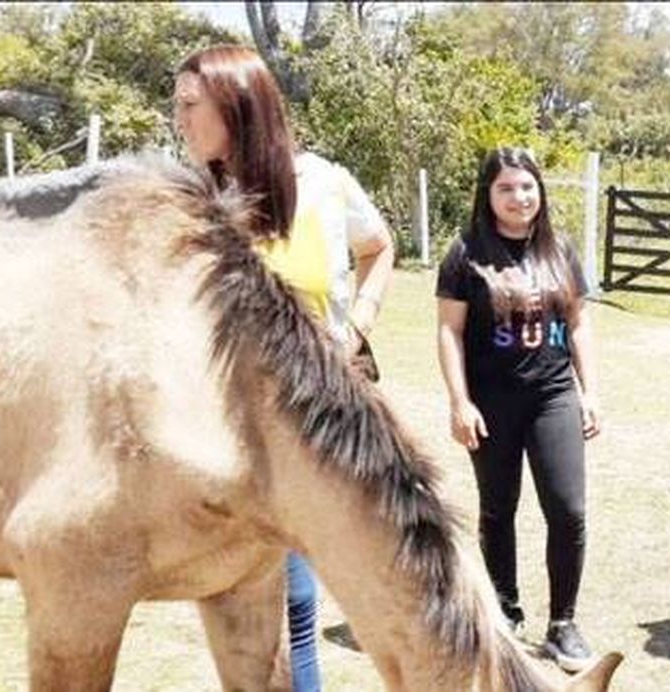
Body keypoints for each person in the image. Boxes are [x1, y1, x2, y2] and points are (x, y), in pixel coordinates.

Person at [173, 44, 395, 692]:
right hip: (221, 434)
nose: (180, 120)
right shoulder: (191, 200)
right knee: (249, 609)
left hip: (313, 425)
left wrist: (358, 326)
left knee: (296, 607)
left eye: (191, 106)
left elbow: (379, 246)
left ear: (236, 106)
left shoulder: (322, 183)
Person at [435, 147, 600, 673]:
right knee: (497, 508)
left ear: (540, 192)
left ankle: (562, 624)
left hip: (552, 396)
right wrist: (460, 402)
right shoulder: (465, 253)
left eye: (527, 186)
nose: (518, 197)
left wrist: (589, 392)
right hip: (491, 402)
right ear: (488, 194)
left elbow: (577, 324)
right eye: (506, 188)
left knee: (568, 509)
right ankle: (504, 611)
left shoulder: (559, 249)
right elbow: (449, 331)